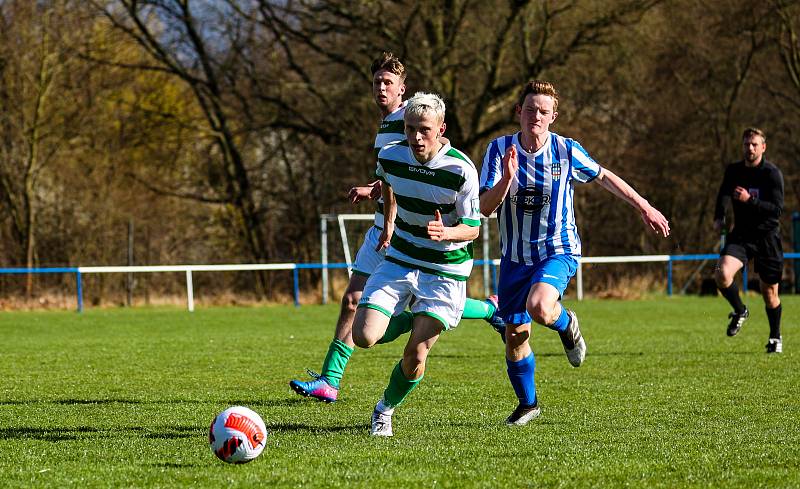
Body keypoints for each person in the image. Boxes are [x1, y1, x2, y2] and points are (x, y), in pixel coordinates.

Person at [289, 53, 504, 404]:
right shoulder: (389, 125)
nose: (381, 88)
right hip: (386, 227)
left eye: (388, 83)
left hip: (406, 233)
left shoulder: (410, 120)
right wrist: (376, 196)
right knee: (354, 301)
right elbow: (393, 177)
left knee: (377, 300)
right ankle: (330, 379)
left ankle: (332, 379)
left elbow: (424, 176)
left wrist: (399, 221)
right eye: (376, 82)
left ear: (403, 90)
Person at [478, 80, 670, 425]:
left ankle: (567, 325)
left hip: (558, 249)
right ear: (518, 112)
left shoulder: (565, 150)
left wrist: (644, 206)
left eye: (543, 111)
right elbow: (484, 209)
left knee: (539, 306)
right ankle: (528, 404)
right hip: (515, 258)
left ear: (553, 116)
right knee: (515, 337)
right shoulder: (498, 150)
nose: (535, 116)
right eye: (530, 109)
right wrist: (506, 180)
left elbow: (603, 176)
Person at [351, 91, 481, 437]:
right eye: (410, 129)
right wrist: (389, 220)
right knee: (363, 336)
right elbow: (388, 184)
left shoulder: (460, 169)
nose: (416, 137)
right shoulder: (391, 156)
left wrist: (448, 231)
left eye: (424, 129)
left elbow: (474, 228)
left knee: (415, 355)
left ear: (441, 128)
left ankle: (385, 409)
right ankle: (412, 317)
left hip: (445, 270)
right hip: (401, 258)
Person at [713, 127, 785, 354]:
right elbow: (724, 192)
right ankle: (740, 310)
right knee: (722, 274)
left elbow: (776, 210)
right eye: (746, 144)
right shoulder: (734, 170)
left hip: (767, 237)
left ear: (763, 147)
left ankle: (775, 337)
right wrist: (719, 216)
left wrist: (750, 200)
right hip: (742, 235)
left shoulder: (772, 174)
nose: (750, 148)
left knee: (769, 293)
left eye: (754, 144)